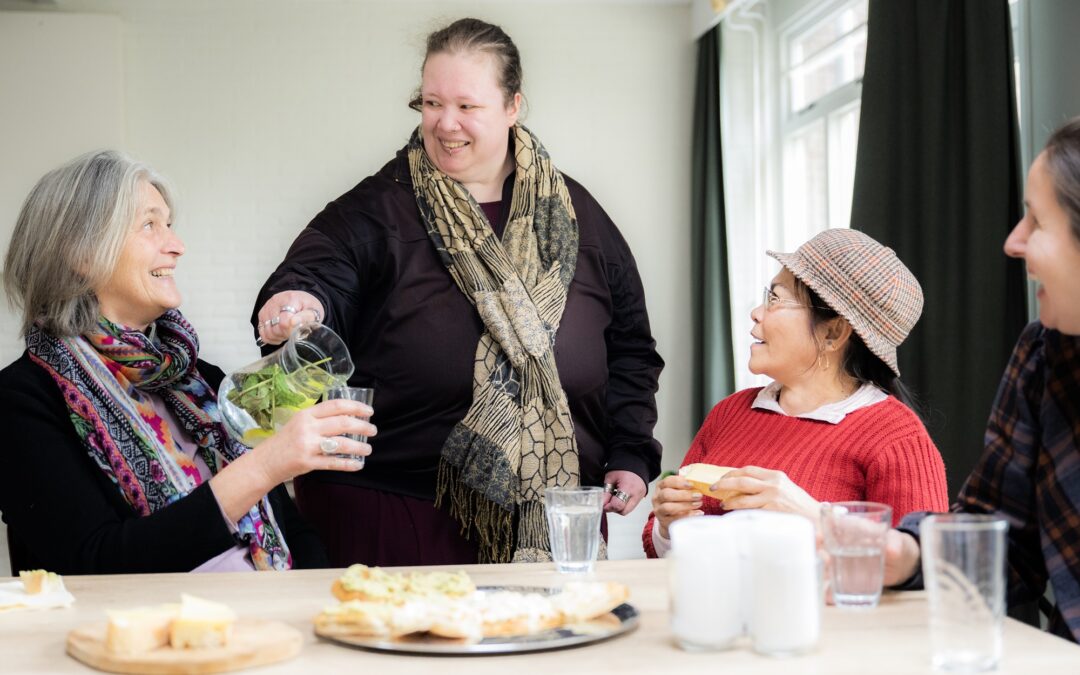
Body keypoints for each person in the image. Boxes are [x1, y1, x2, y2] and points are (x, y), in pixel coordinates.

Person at [252, 17, 664, 566]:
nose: (445, 124)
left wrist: (631, 452)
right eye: (430, 103)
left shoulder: (576, 213)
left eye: (467, 107)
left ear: (513, 106)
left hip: (553, 514)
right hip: (388, 513)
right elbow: (318, 274)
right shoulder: (377, 208)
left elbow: (631, 347)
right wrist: (296, 302)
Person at [0, 150, 375, 574]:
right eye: (149, 225)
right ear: (81, 255)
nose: (176, 246)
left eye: (170, 225)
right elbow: (96, 563)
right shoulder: (22, 399)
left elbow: (292, 532)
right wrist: (267, 465)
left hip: (267, 626)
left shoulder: (199, 381)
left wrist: (311, 601)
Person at [884, 118, 1080, 643]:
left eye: (1037, 221)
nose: (1013, 243)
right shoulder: (1042, 359)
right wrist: (905, 552)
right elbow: (1002, 544)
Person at [644, 228, 949, 558]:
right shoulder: (729, 413)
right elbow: (658, 548)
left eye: (775, 299)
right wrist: (667, 526)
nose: (757, 312)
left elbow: (925, 571)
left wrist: (814, 517)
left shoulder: (897, 439)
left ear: (833, 333)